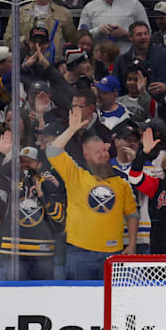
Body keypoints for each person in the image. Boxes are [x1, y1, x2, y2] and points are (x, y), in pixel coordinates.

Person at [47, 106, 138, 280]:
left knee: (111, 305)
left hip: (113, 254)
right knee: (78, 303)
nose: (104, 155)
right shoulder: (76, 175)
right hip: (79, 252)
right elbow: (52, 151)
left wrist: (132, 244)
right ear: (86, 154)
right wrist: (72, 129)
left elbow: (132, 213)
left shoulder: (121, 181)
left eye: (104, 150)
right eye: (98, 153)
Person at [0, 147, 64, 280]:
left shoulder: (49, 183)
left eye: (30, 161)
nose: (25, 164)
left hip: (43, 252)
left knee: (43, 296)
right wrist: (3, 155)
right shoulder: (9, 181)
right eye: (22, 161)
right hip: (12, 250)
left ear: (39, 164)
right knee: (13, 296)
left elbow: (60, 217)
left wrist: (43, 195)